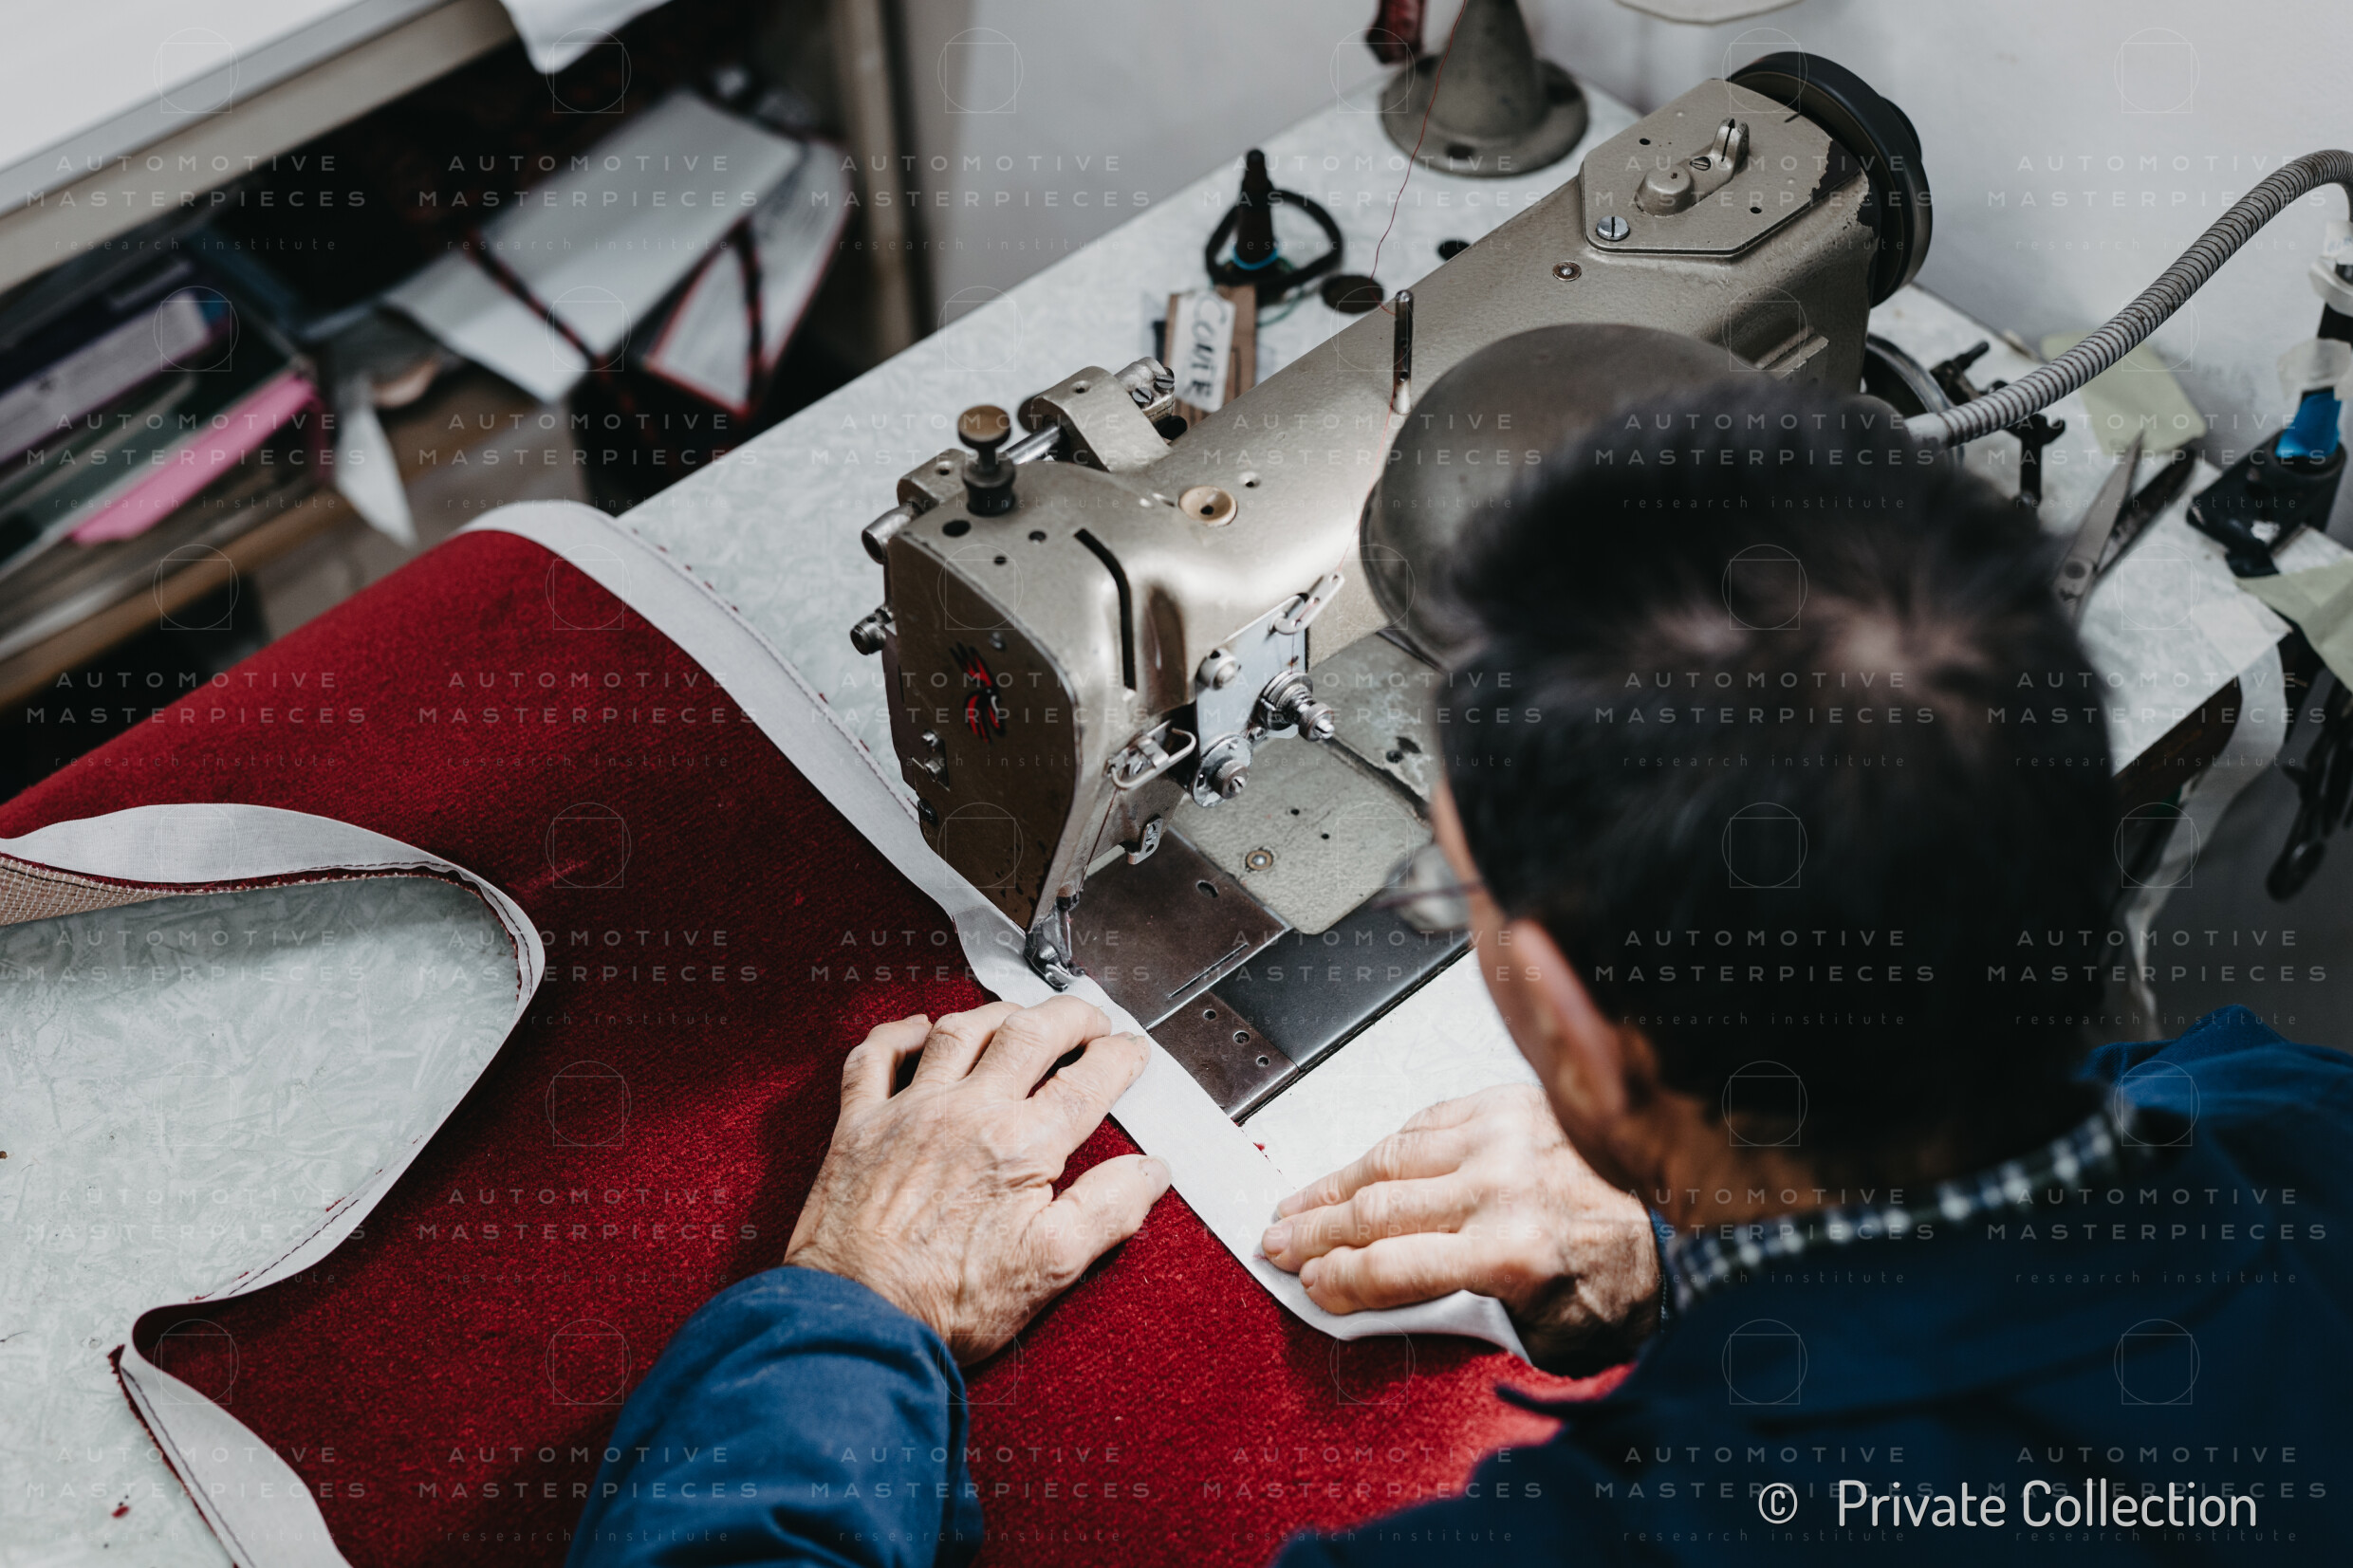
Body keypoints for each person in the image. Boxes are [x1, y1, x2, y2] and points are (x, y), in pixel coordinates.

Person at [565, 380, 2352, 1564]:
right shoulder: (2297, 1124)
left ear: (1563, 1020)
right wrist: (1699, 1213)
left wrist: (848, 1308)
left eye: (1456, 890)